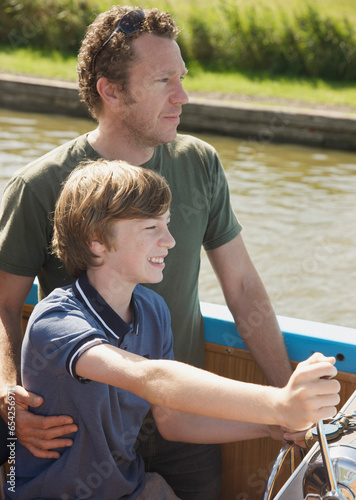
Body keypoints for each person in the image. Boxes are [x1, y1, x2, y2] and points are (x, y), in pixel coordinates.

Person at [0, 5, 293, 499]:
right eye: (163, 81)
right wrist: (8, 404)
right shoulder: (39, 185)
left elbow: (242, 288)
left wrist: (287, 400)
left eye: (182, 77)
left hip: (186, 421)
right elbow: (3, 305)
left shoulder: (200, 163)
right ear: (111, 91)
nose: (183, 96)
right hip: (84, 432)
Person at [3, 159, 340, 500]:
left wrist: (271, 426)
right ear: (96, 241)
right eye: (151, 229)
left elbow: (175, 422)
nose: (170, 240)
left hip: (129, 489)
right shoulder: (56, 321)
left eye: (167, 224)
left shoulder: (152, 311)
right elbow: (150, 378)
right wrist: (279, 402)